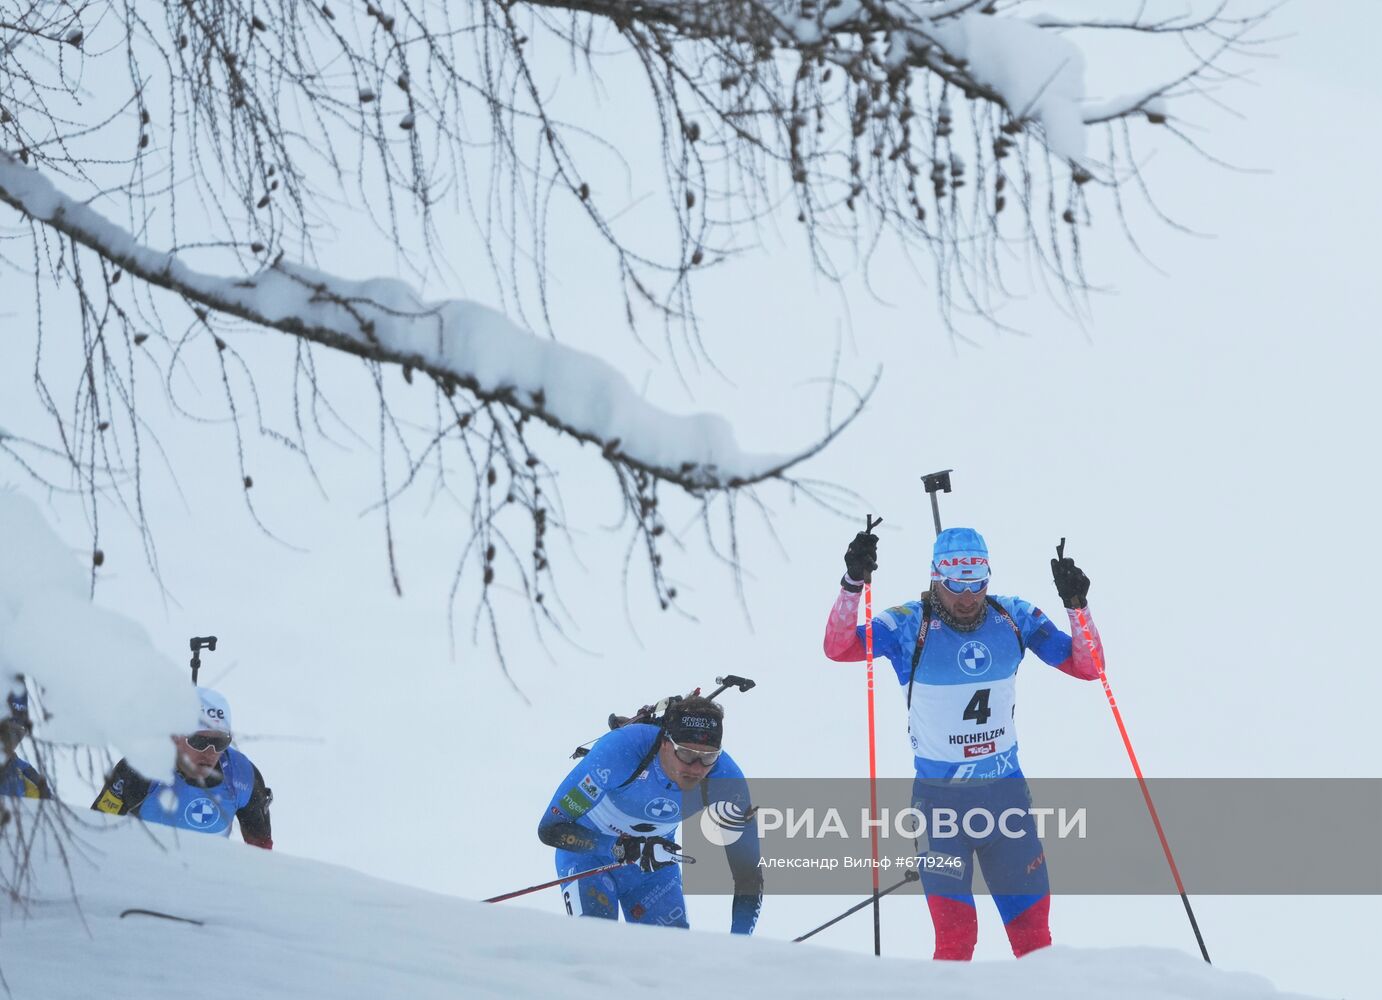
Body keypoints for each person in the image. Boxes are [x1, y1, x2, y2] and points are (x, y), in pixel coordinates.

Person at [823, 526, 1103, 960]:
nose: (968, 596)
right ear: (936, 577)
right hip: (940, 809)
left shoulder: (1014, 617)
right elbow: (838, 648)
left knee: (1034, 942)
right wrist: (852, 583)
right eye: (956, 584)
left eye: (978, 584)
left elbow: (1089, 667)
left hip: (1006, 800)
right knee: (956, 942)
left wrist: (1077, 606)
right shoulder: (907, 624)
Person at [537, 694, 762, 934]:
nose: (697, 769)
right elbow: (551, 828)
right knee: (596, 947)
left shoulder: (726, 779)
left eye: (708, 758)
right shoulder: (620, 751)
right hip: (589, 855)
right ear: (664, 743)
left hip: (652, 868)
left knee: (670, 961)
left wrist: (739, 942)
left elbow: (749, 874)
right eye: (686, 754)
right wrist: (618, 849)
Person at [91, 687, 273, 849]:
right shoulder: (141, 769)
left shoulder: (242, 777)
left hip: (206, 880)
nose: (209, 752)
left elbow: (262, 853)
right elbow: (96, 832)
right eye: (199, 741)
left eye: (220, 742)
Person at [1, 691, 51, 800]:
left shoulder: (18, 767)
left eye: (19, 734)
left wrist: (45, 794)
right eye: (7, 732)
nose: (13, 740)